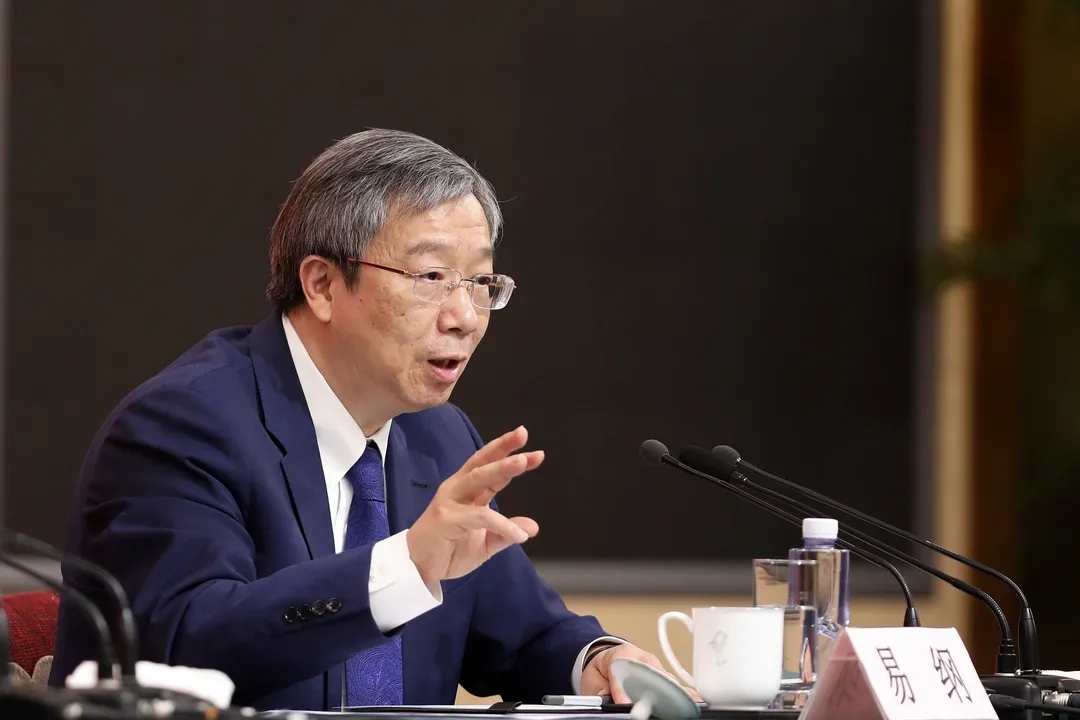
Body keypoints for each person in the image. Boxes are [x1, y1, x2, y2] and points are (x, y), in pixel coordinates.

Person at [49, 129, 672, 710]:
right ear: (322, 285)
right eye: (431, 277)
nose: (465, 316)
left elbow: (523, 636)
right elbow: (185, 644)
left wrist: (596, 660)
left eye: (481, 281)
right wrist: (403, 568)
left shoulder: (438, 436)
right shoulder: (183, 424)